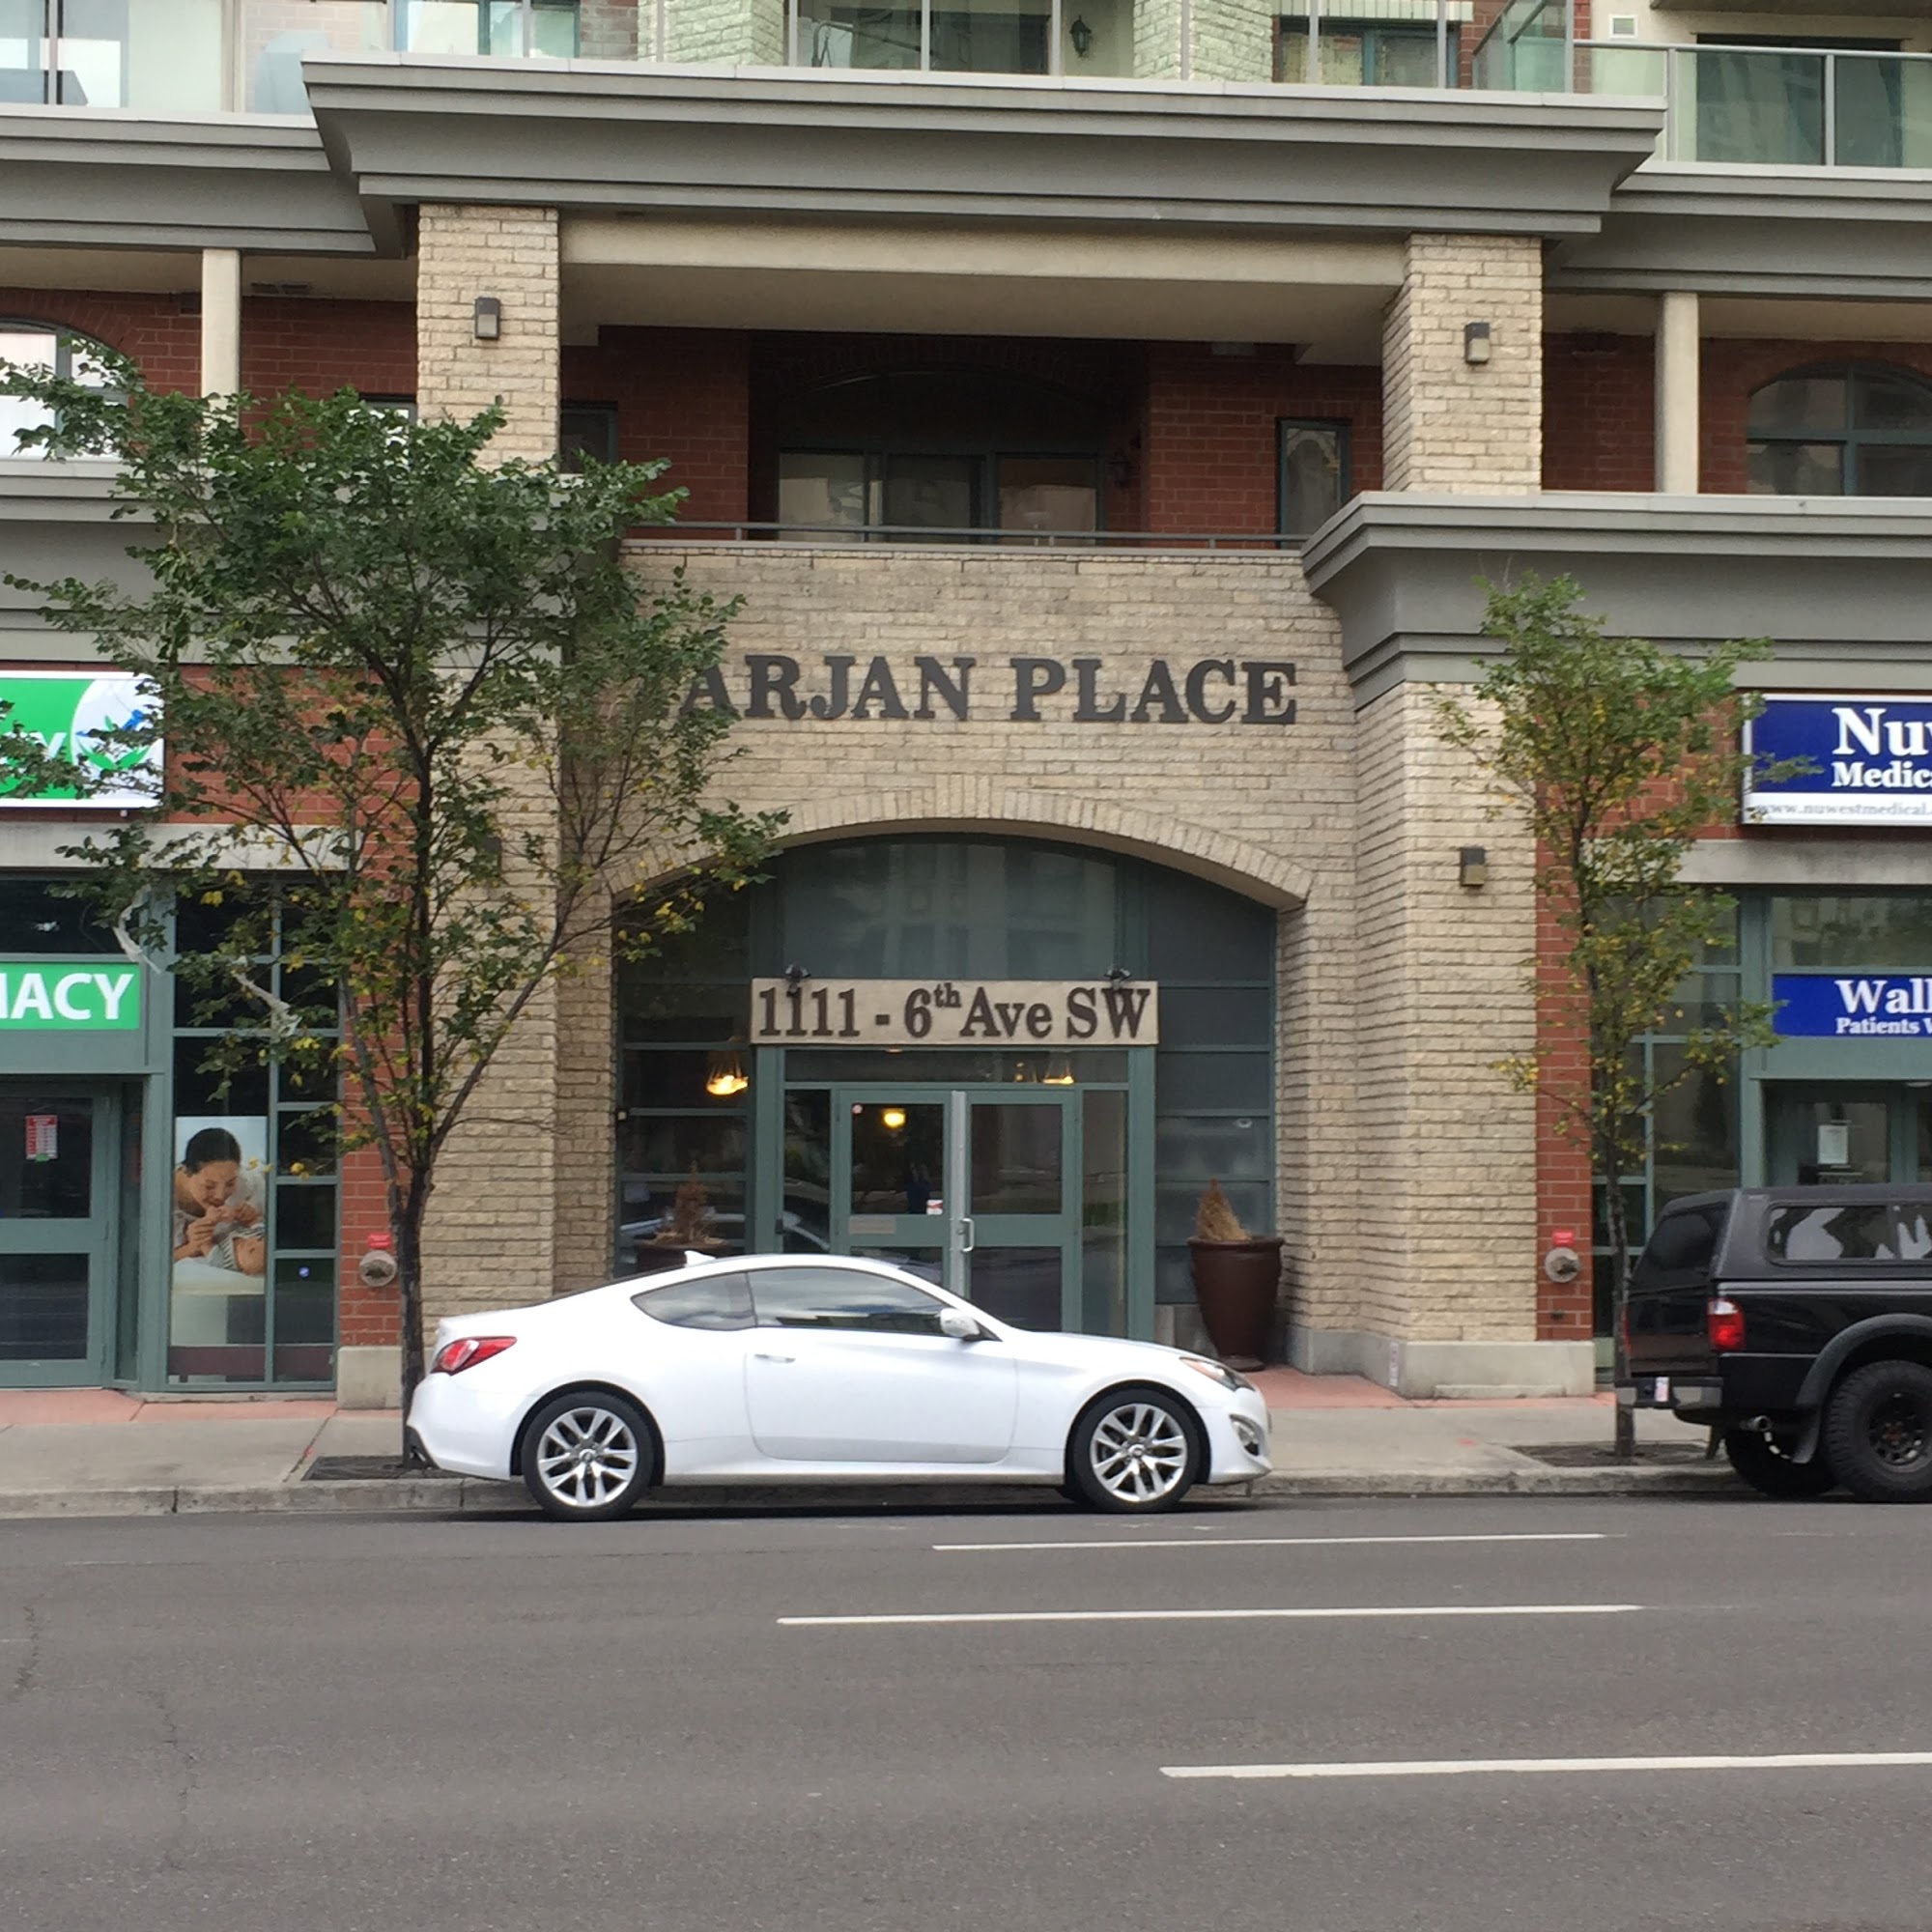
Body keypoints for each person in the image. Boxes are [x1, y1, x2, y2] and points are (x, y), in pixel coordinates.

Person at [171, 1127, 267, 1277]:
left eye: (230, 1183)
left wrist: (253, 1217)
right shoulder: (159, 1200)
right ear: (187, 1171)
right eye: (209, 1186)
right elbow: (150, 1260)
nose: (220, 1196)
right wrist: (191, 1247)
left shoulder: (250, 1188)